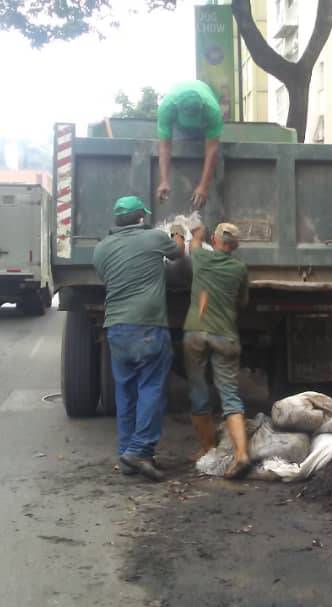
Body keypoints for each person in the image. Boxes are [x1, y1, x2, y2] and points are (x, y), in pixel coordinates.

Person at [93, 196, 182, 482]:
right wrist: (179, 233)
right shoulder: (154, 238)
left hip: (117, 328)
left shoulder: (102, 248)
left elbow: (107, 275)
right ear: (141, 218)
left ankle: (126, 454)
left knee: (126, 391)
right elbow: (178, 253)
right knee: (151, 390)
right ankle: (140, 450)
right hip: (148, 326)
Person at [183, 222, 251, 479]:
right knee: (230, 395)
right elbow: (243, 301)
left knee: (198, 389)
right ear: (236, 246)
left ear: (215, 239)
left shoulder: (201, 258)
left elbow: (194, 242)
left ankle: (207, 447)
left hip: (195, 333)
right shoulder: (239, 269)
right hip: (225, 336)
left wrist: (197, 231)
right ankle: (242, 453)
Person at [155, 80, 225, 216]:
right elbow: (164, 146)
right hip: (178, 128)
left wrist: (204, 186)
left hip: (204, 125)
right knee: (181, 142)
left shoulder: (212, 110)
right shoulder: (167, 107)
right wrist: (163, 180)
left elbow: (212, 149)